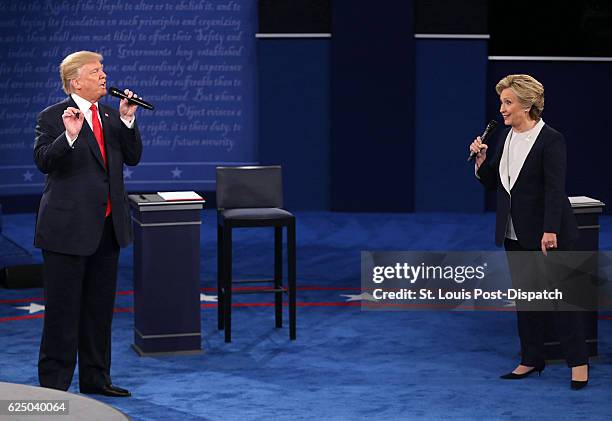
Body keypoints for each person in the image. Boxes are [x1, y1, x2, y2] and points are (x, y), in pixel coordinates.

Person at [469, 74, 589, 390]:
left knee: (561, 299)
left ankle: (578, 363)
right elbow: (496, 182)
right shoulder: (506, 137)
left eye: (508, 102)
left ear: (528, 104)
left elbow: (554, 188)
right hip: (514, 233)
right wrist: (481, 163)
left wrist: (550, 230)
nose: (502, 109)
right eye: (502, 102)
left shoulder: (551, 139)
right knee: (527, 300)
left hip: (547, 235)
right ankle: (531, 359)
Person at [34, 51, 142, 397]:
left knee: (98, 312)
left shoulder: (111, 115)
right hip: (66, 231)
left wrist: (127, 120)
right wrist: (68, 137)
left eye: (103, 70)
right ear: (75, 81)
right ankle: (54, 388)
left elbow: (133, 157)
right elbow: (44, 162)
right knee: (62, 315)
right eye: (96, 71)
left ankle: (96, 379)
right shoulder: (53, 117)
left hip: (107, 229)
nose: (104, 75)